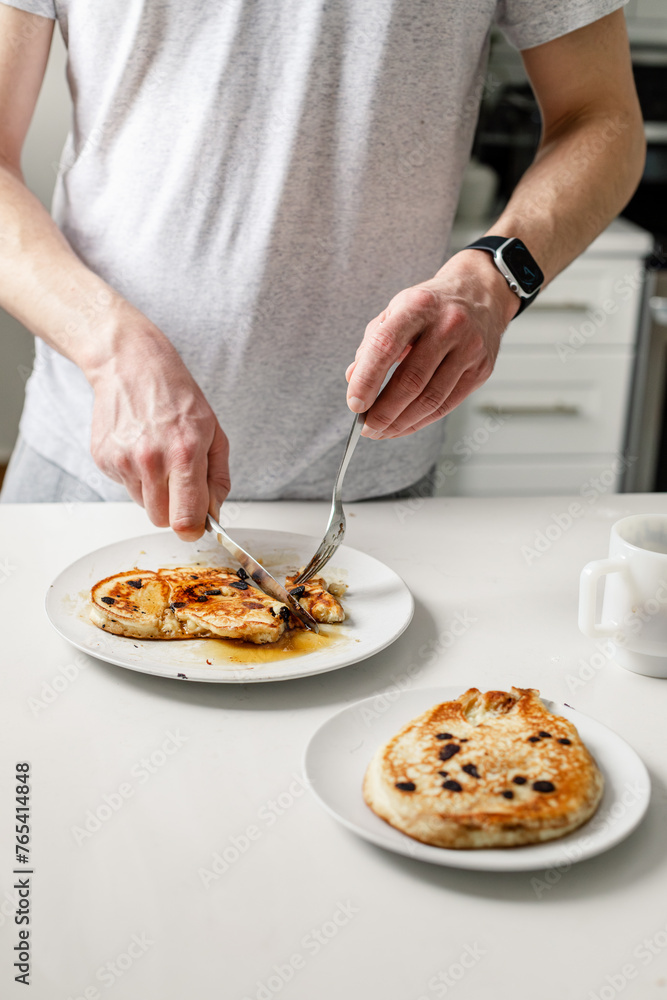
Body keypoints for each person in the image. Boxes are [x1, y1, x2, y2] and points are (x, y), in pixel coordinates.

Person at [0, 0, 645, 540]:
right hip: (86, 470)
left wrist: (494, 278)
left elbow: (602, 117)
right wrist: (112, 350)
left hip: (370, 497)